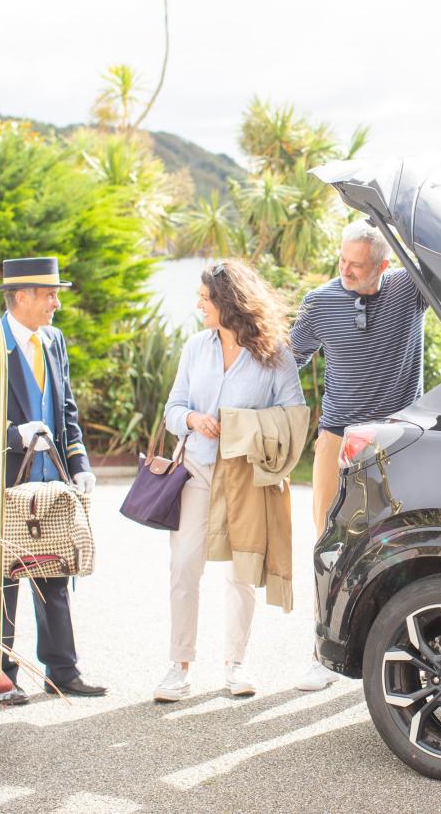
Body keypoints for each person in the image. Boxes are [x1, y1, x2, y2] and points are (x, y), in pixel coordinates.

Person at [0, 256, 106, 705]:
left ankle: (63, 671)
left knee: (54, 574)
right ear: (21, 297)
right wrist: (11, 436)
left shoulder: (54, 341)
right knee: (4, 581)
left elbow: (67, 410)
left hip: (52, 483)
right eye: (49, 294)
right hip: (4, 484)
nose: (56, 303)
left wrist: (80, 464)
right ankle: (1, 675)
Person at [156, 260, 306, 703]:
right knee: (185, 566)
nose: (199, 305)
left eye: (206, 298)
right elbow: (171, 409)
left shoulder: (274, 353)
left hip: (246, 475)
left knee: (243, 571)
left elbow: (294, 414)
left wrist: (243, 426)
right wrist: (192, 419)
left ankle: (235, 664)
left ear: (229, 302)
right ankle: (178, 666)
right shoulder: (195, 348)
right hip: (198, 469)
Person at [290, 219, 429, 691]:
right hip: (336, 440)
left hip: (399, 443)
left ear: (384, 266)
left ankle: (403, 656)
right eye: (342, 261)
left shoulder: (409, 288)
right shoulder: (321, 301)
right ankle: (320, 653)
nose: (345, 270)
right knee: (329, 546)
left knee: (409, 547)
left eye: (357, 265)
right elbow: (290, 360)